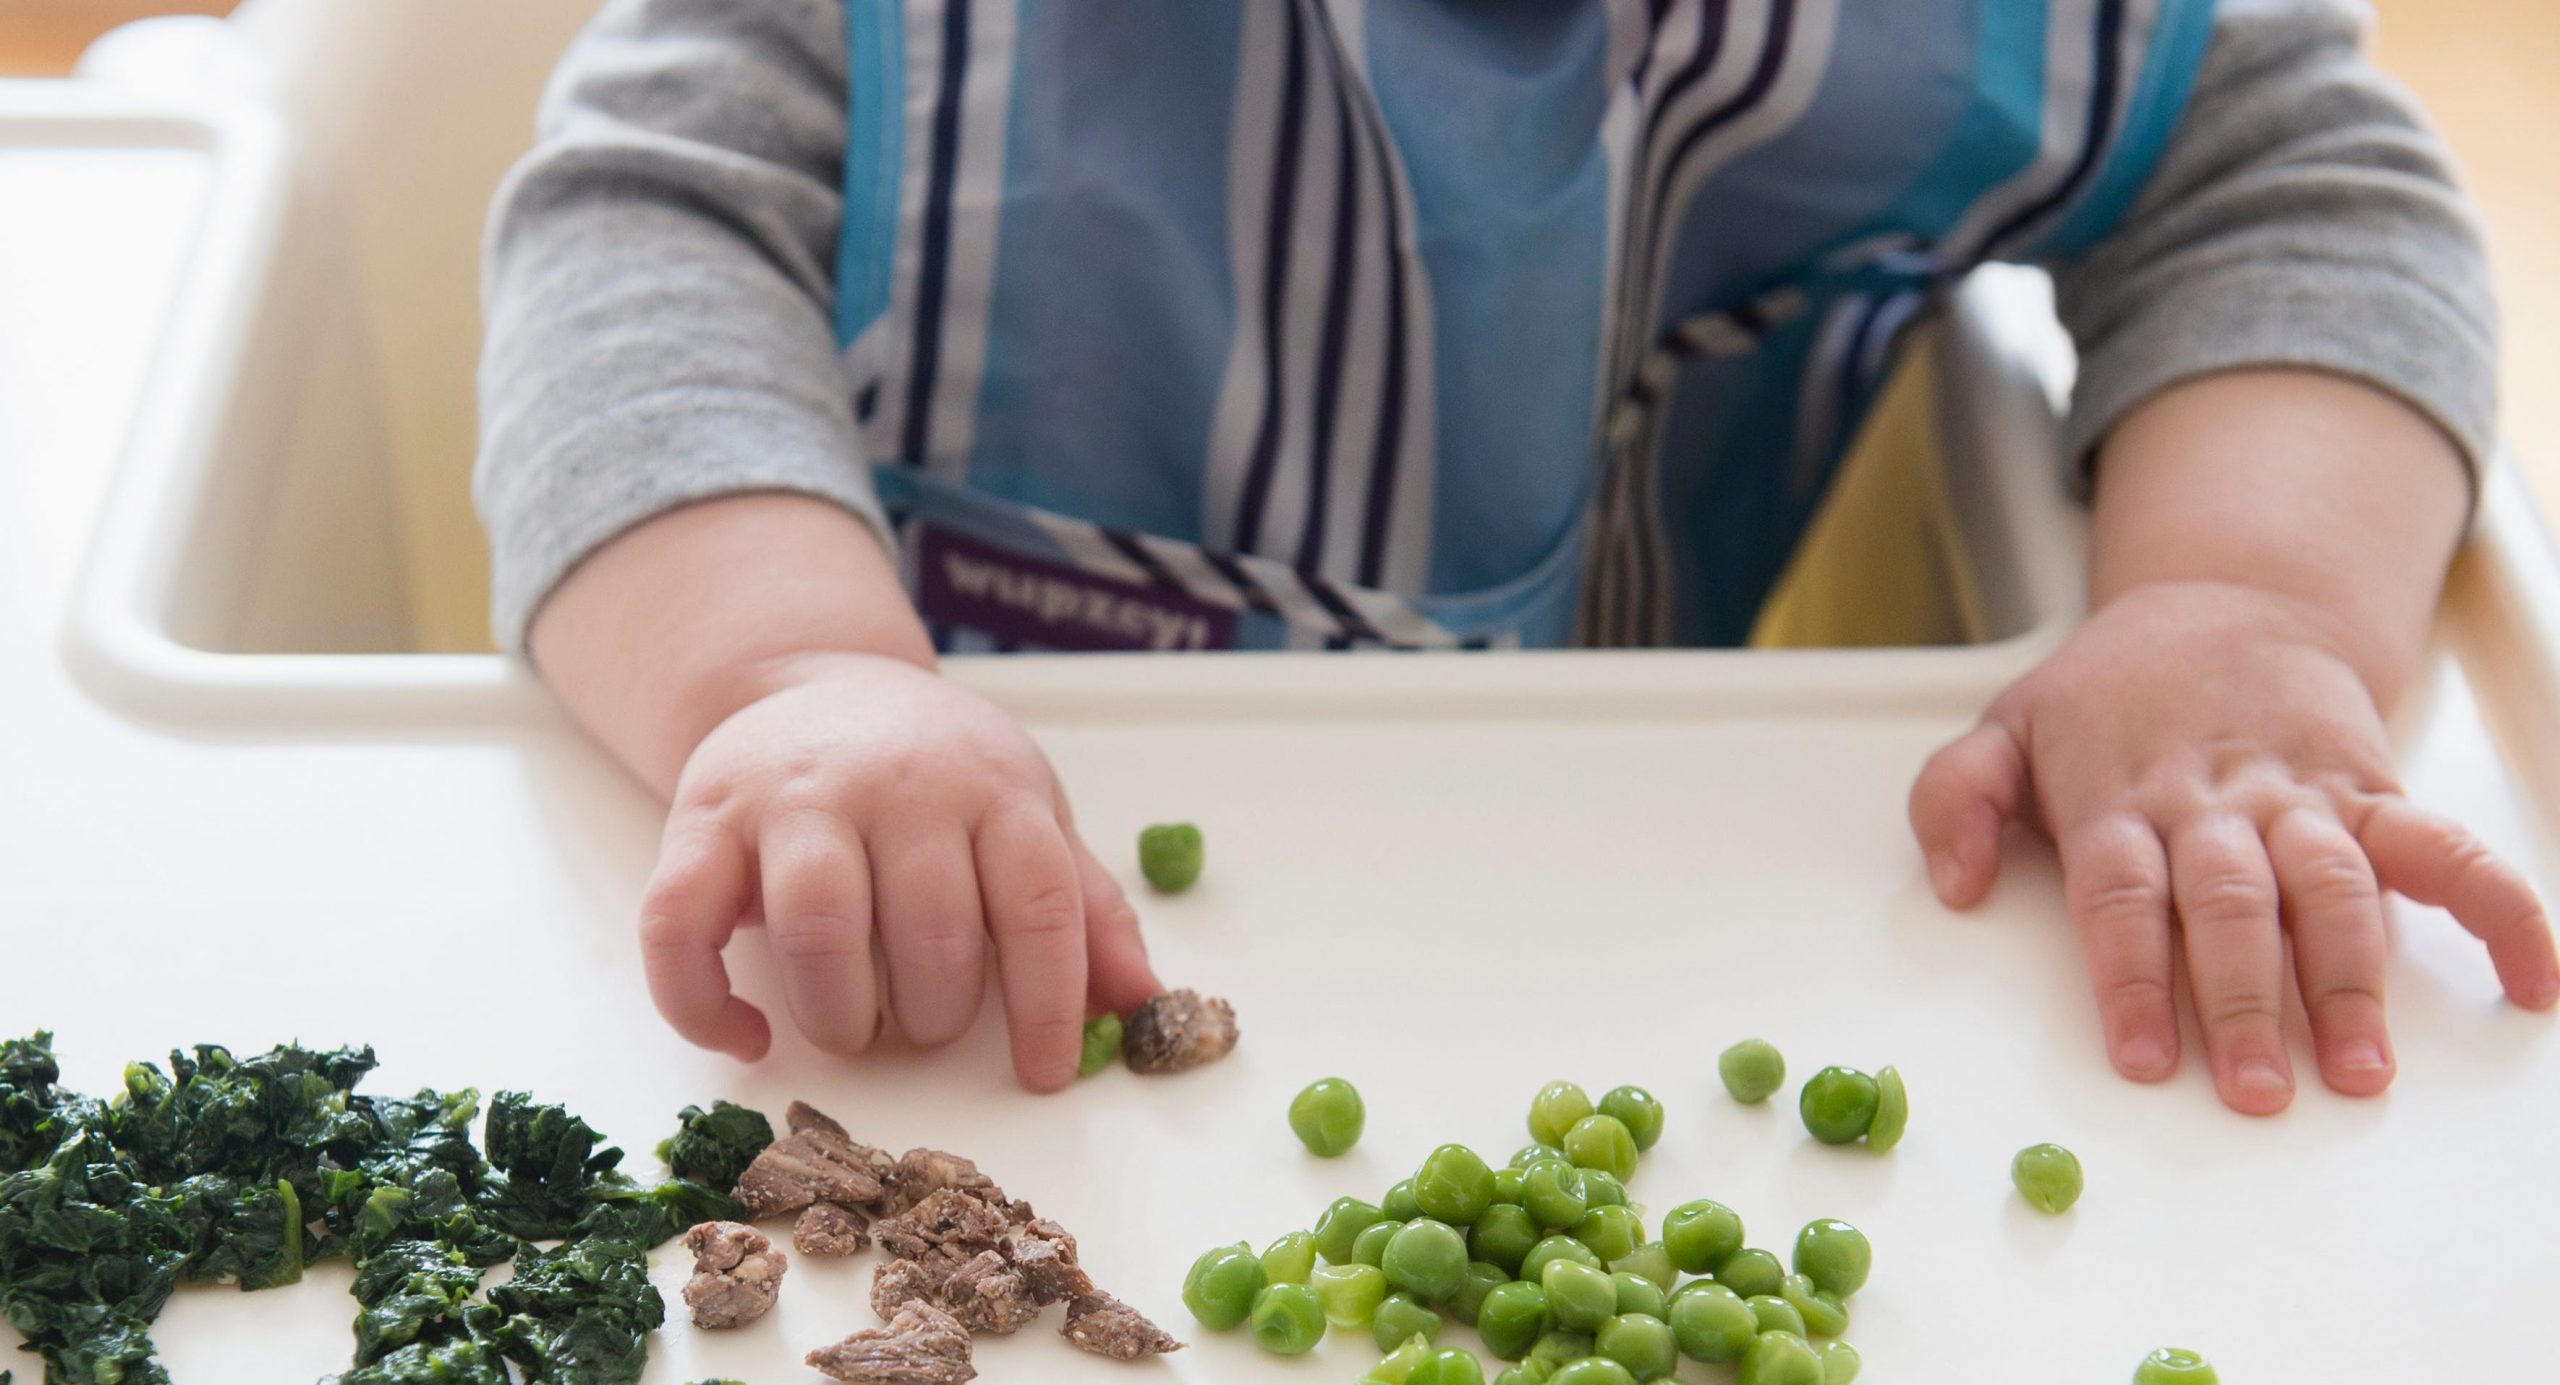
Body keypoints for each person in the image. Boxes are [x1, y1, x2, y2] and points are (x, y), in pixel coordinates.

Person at [478, 0, 2558, 1104]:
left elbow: (2287, 185)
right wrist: (781, 672)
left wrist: (2240, 604)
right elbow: (638, 241)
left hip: (1596, 894)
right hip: (933, 922)